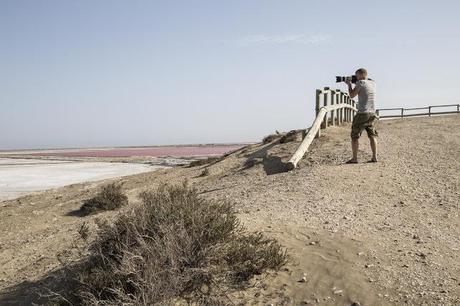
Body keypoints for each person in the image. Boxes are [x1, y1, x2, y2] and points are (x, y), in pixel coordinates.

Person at [345, 68, 378, 163]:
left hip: (362, 113)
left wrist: (349, 85)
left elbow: (351, 95)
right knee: (372, 135)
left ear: (360, 75)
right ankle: (374, 157)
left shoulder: (360, 83)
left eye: (356, 76)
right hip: (373, 113)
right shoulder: (373, 83)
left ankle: (354, 158)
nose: (355, 77)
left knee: (354, 136)